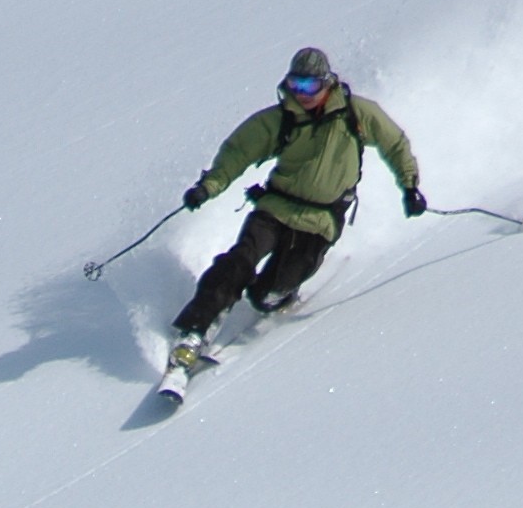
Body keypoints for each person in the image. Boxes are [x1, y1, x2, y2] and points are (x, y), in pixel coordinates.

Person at [168, 47, 424, 371]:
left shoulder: (357, 114)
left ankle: (275, 294)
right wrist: (208, 187)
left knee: (267, 295)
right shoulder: (281, 120)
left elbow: (395, 143)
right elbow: (237, 152)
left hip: (321, 221)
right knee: (239, 261)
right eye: (295, 85)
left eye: (309, 87)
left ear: (327, 84)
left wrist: (410, 186)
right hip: (276, 208)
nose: (302, 94)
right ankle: (195, 328)